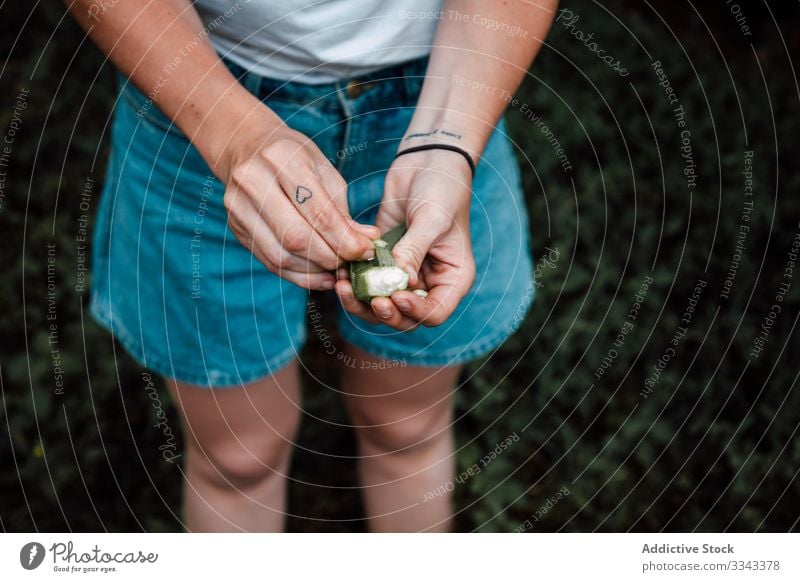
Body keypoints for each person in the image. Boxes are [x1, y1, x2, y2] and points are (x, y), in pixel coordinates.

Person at [66, 0, 557, 532]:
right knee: (237, 459)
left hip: (449, 84)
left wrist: (448, 144)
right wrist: (231, 134)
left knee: (408, 427)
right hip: (195, 82)